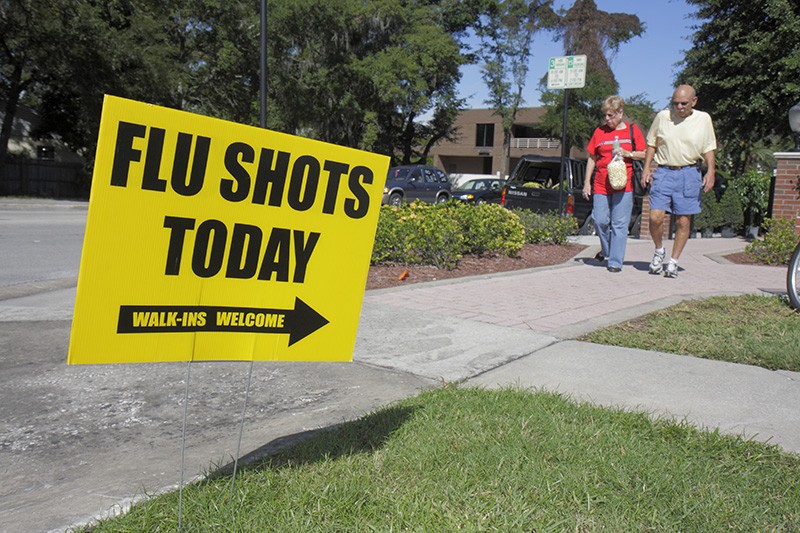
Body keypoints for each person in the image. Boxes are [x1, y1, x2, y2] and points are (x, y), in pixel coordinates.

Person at [641, 84, 716, 278]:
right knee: (655, 217)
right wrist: (647, 168)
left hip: (689, 173)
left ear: (694, 101)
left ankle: (673, 262)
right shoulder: (662, 117)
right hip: (664, 172)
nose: (679, 107)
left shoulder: (703, 119)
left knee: (683, 221)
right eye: (675, 103)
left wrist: (711, 171)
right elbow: (651, 144)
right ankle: (659, 251)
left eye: (684, 103)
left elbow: (709, 147)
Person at [582, 95, 646, 272]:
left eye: (610, 115)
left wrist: (629, 153)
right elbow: (592, 158)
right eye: (605, 115)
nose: (607, 119)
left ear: (620, 113)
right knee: (599, 220)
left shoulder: (632, 131)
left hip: (623, 185)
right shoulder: (599, 132)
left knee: (619, 224)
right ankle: (607, 249)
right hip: (601, 183)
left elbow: (645, 153)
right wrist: (587, 182)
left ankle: (615, 261)